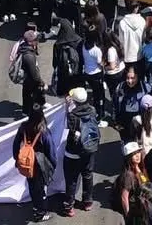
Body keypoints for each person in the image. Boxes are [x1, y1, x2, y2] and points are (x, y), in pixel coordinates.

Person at [14, 102, 56, 222]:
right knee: (41, 188)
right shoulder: (43, 131)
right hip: (40, 164)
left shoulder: (23, 127)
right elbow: (51, 150)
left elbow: (16, 144)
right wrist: (53, 165)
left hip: (27, 163)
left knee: (32, 185)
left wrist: (17, 158)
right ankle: (40, 212)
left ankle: (36, 206)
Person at [63, 86, 100, 216]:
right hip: (89, 150)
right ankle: (87, 201)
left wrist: (67, 107)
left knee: (72, 179)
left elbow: (68, 126)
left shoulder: (72, 115)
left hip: (73, 153)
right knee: (87, 175)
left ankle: (69, 206)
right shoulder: (92, 110)